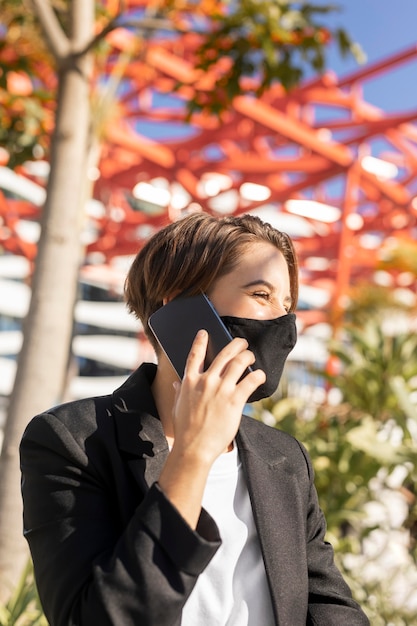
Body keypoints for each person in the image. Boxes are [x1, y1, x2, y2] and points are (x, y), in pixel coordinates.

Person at [20, 212, 369, 626]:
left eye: (288, 305)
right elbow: (102, 617)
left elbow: (332, 612)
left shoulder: (284, 458)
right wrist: (192, 454)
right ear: (181, 305)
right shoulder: (72, 441)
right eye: (261, 294)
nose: (285, 323)